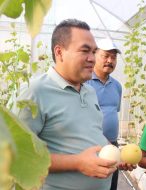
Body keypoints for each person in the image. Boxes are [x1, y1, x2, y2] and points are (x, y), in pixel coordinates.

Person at [11, 19, 124, 190]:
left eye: (94, 52)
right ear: (59, 52)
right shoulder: (34, 92)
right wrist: (77, 163)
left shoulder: (89, 91)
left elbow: (93, 133)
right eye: (85, 51)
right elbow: (14, 154)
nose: (92, 59)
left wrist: (113, 153)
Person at [86, 38, 122, 190]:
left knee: (111, 185)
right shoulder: (85, 83)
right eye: (105, 56)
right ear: (94, 56)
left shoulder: (117, 86)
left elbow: (113, 112)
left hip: (112, 145)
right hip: (90, 145)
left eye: (113, 57)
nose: (110, 60)